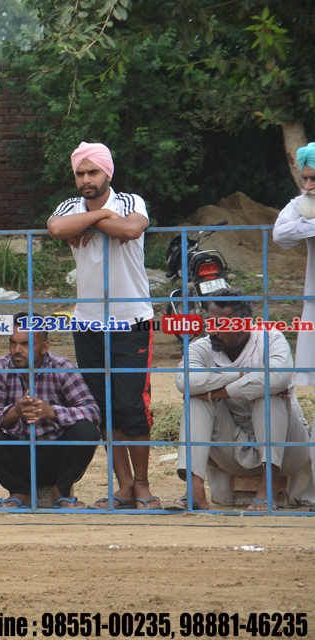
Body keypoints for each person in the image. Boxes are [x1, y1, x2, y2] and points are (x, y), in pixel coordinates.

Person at [47, 141, 158, 510]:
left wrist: (94, 220)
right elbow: (56, 227)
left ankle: (143, 485)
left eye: (92, 172)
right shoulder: (70, 206)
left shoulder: (130, 201)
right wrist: (100, 219)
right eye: (80, 173)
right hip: (88, 324)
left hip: (131, 320)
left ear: (107, 173)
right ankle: (123, 486)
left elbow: (132, 229)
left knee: (132, 405)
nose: (86, 179)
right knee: (102, 407)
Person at [165, 289, 315, 511]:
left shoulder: (271, 338)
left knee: (269, 393)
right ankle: (195, 491)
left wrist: (217, 392)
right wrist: (242, 374)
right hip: (233, 448)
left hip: (288, 451)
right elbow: (184, 382)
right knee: (196, 399)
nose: (212, 330)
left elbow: (278, 378)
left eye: (221, 324)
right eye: (209, 322)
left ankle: (268, 489)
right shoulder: (201, 347)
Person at [0, 313, 101, 509]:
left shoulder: (63, 367)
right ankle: (19, 491)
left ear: (44, 347)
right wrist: (15, 412)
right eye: (13, 343)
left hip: (57, 453)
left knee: (87, 431)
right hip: (19, 454)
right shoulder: (0, 368)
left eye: (26, 344)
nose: (17, 350)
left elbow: (93, 412)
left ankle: (61, 491)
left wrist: (52, 412)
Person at [271, 141, 315, 390]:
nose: (308, 186)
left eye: (314, 179)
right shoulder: (304, 204)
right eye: (305, 179)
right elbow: (280, 234)